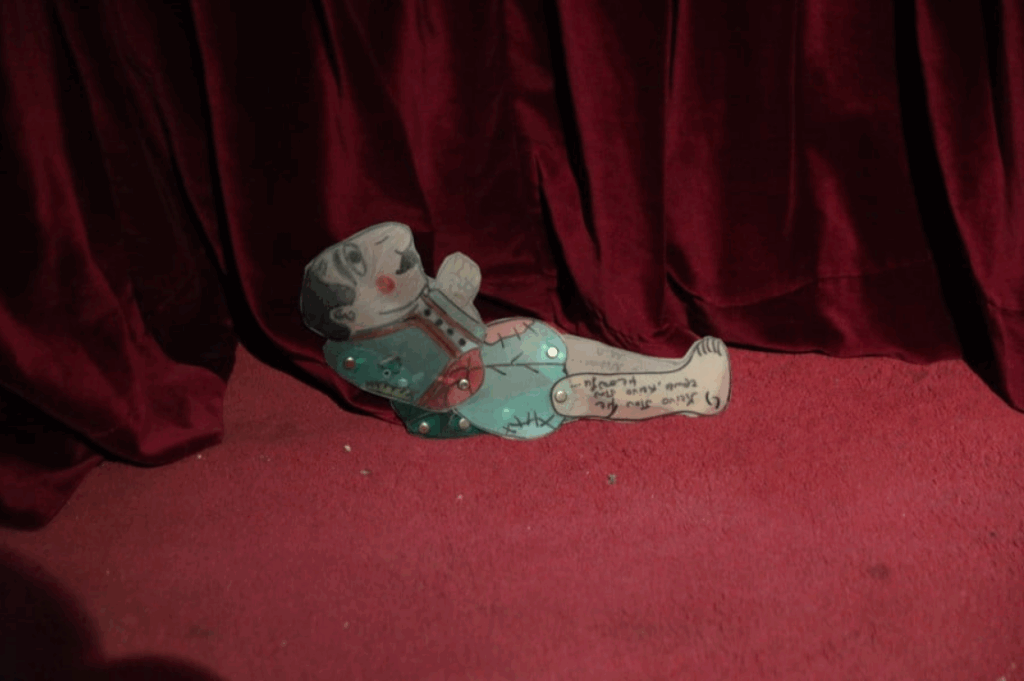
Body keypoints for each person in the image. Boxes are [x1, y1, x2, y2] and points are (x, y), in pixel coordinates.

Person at [300, 222, 731, 440]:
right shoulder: (361, 353)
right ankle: (686, 392)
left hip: (486, 365)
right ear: (348, 315)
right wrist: (456, 298)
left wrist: (457, 297)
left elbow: (465, 336)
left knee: (554, 345)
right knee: (562, 391)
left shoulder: (412, 304)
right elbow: (434, 378)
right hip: (467, 404)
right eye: (357, 263)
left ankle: (670, 369)